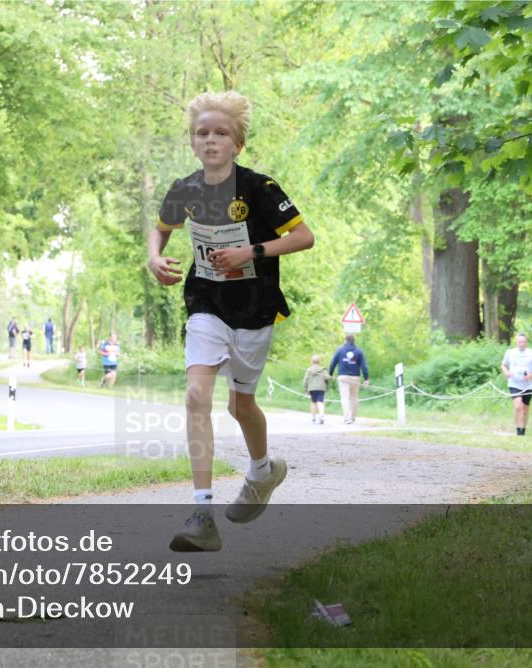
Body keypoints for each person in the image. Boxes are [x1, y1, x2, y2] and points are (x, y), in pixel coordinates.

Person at [148, 90, 315, 552]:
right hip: (206, 302)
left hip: (255, 307)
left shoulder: (260, 189)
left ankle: (263, 472)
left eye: (221, 133)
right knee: (196, 394)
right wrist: (154, 257)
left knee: (240, 406)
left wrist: (251, 251)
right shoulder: (184, 189)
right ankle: (202, 513)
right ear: (192, 143)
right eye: (202, 133)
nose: (211, 140)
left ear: (237, 143)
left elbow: (305, 237)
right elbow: (160, 228)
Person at [501, 332, 532, 436]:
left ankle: (523, 429)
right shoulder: (510, 352)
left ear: (526, 342)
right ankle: (518, 430)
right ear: (516, 342)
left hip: (527, 385)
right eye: (519, 342)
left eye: (523, 342)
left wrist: (531, 375)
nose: (521, 344)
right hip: (514, 383)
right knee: (518, 406)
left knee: (525, 408)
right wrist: (506, 372)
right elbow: (503, 365)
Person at [328, 334, 369, 424]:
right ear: (354, 341)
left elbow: (332, 363)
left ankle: (347, 418)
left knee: (345, 398)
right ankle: (352, 417)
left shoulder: (340, 350)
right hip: (355, 377)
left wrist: (330, 374)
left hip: (343, 377)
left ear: (345, 340)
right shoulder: (359, 351)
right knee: (354, 398)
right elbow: (364, 367)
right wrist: (366, 379)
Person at [302, 354, 332, 425]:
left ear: (311, 361)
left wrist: (305, 387)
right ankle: (321, 416)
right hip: (321, 388)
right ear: (320, 362)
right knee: (320, 402)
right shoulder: (323, 369)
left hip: (312, 388)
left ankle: (313, 418)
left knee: (313, 402)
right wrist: (331, 377)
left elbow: (305, 380)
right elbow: (327, 377)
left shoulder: (309, 370)